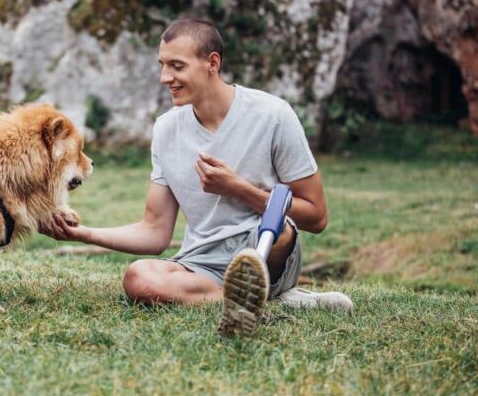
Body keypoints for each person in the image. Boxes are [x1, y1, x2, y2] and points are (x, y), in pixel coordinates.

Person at [41, 18, 353, 336]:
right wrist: (83, 233)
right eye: (162, 66)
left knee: (282, 228)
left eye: (177, 66)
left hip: (268, 248)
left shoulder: (273, 115)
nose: (166, 78)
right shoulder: (166, 129)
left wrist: (239, 189)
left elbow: (316, 216)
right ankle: (259, 301)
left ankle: (260, 292)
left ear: (212, 63)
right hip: (203, 263)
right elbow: (154, 232)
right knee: (138, 278)